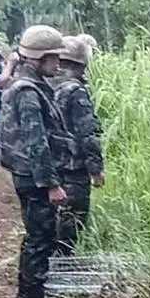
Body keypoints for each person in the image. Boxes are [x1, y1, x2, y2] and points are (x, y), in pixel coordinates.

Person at [0, 25, 73, 298]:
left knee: (40, 236)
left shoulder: (29, 86)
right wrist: (51, 184)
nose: (58, 64)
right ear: (38, 58)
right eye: (54, 58)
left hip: (30, 175)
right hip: (34, 177)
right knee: (40, 238)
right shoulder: (28, 92)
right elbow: (36, 141)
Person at [50, 36, 105, 255]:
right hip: (72, 169)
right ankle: (62, 267)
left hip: (46, 166)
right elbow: (87, 133)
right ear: (81, 64)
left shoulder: (41, 84)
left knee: (48, 222)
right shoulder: (75, 91)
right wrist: (96, 169)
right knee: (71, 221)